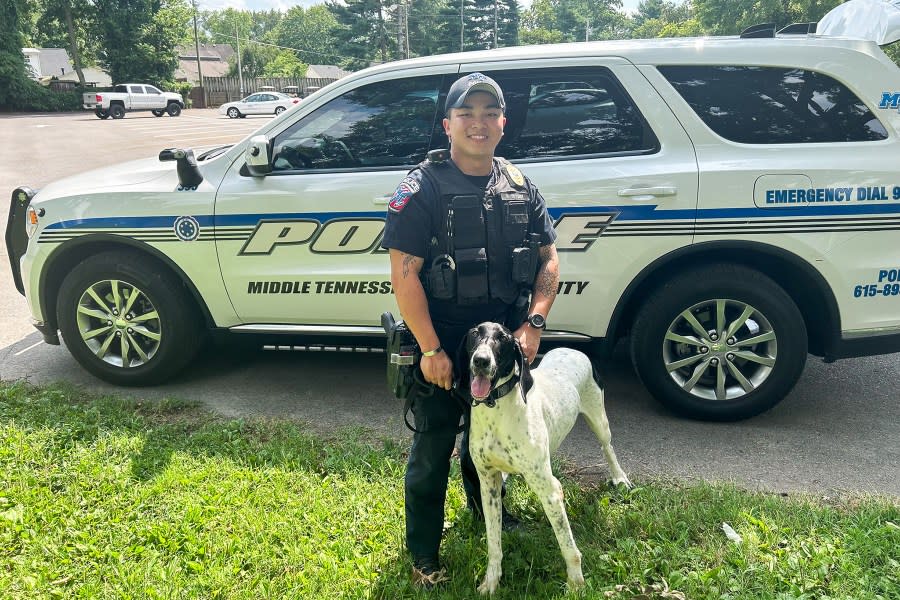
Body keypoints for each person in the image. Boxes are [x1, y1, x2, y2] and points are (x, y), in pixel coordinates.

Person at [381, 72, 560, 588]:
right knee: (435, 446)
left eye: (489, 113)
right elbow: (405, 273)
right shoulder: (423, 187)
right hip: (443, 340)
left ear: (503, 124)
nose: (478, 123)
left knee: (493, 439)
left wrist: (534, 323)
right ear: (448, 124)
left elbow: (549, 260)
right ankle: (423, 555)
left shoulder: (522, 187)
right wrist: (432, 349)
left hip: (501, 346)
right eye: (467, 114)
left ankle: (491, 517)